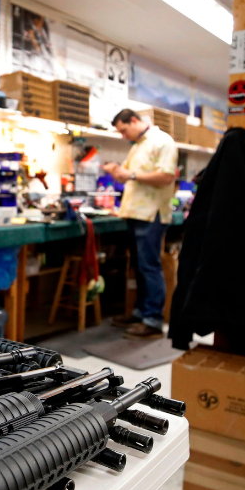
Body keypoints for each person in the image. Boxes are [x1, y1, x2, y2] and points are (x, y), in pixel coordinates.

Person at [102, 109, 178, 339]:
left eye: (124, 130)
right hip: (135, 214)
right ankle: (140, 313)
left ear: (134, 120)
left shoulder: (162, 141)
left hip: (151, 215)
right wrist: (118, 172)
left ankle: (153, 320)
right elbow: (130, 175)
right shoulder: (137, 145)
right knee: (139, 266)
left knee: (149, 266)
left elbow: (166, 177)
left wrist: (131, 175)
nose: (123, 136)